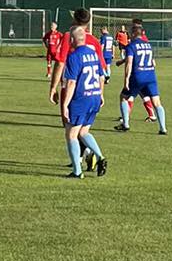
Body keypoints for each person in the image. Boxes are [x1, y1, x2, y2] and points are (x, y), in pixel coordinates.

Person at [59, 21, 108, 177]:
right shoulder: (93, 53)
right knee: (84, 132)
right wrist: (101, 94)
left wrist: (65, 104)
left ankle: (77, 172)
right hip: (94, 96)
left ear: (72, 40)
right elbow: (101, 76)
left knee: (71, 134)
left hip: (81, 99)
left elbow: (71, 82)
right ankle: (100, 157)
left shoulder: (73, 57)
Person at [118, 23, 166, 134]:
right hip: (151, 76)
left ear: (133, 34)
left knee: (123, 97)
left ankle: (125, 124)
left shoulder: (131, 46)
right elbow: (154, 63)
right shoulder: (148, 45)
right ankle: (163, 128)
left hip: (137, 76)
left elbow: (129, 63)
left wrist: (126, 80)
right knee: (157, 102)